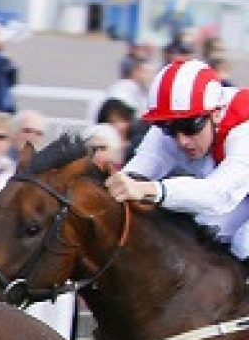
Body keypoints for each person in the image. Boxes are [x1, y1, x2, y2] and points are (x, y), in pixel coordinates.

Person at [103, 58, 249, 262]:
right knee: (203, 227)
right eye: (169, 129)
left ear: (215, 114)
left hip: (228, 192)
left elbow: (217, 195)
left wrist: (152, 190)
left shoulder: (243, 132)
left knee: (244, 243)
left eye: (190, 128)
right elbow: (138, 171)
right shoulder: (180, 118)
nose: (182, 141)